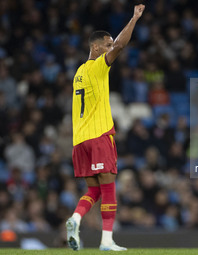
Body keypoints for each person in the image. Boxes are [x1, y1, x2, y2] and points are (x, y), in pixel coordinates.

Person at [66, 4, 145, 251]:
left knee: (94, 191)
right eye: (107, 45)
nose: (111, 49)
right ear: (96, 47)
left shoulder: (79, 72)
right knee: (109, 188)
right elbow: (122, 44)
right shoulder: (98, 65)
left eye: (110, 45)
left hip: (79, 141)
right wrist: (134, 19)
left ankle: (75, 219)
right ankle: (107, 241)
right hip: (99, 136)